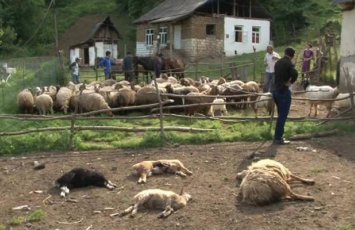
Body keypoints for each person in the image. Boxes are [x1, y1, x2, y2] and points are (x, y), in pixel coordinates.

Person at [273, 47, 298, 145]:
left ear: (285, 53)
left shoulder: (278, 62)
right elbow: (295, 74)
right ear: (292, 55)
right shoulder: (289, 63)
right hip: (283, 91)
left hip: (275, 90)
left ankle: (278, 137)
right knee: (283, 116)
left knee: (280, 115)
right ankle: (278, 138)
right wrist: (290, 82)